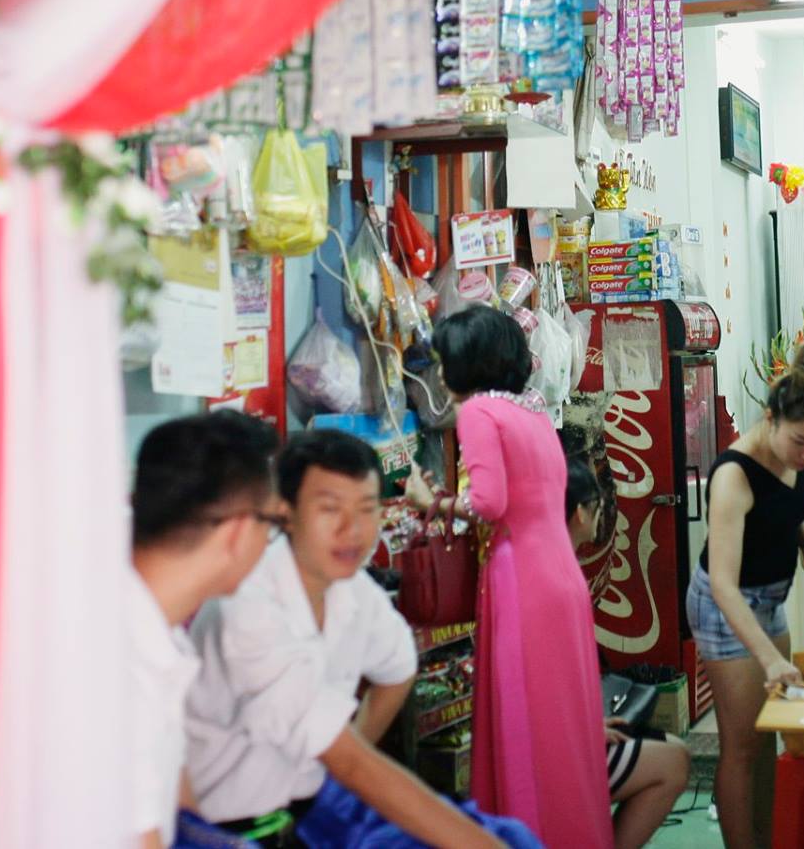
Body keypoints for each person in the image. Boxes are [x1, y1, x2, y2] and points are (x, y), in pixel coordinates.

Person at [183, 428, 522, 849]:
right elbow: (355, 766)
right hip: (223, 825)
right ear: (284, 511)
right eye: (330, 509)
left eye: (366, 508)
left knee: (513, 835)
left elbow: (398, 667)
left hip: (309, 802)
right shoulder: (248, 604)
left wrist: (341, 762)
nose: (353, 529)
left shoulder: (352, 588)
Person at [405, 307, 614, 848]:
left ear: (465, 363)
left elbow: (490, 502)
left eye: (445, 361)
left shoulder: (479, 413)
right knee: (562, 724)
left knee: (524, 722)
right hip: (561, 575)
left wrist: (433, 502)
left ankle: (529, 835)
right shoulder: (534, 412)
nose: (440, 373)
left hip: (520, 579)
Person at [686, 333, 804, 849]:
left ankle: (770, 839)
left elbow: (794, 511)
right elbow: (724, 586)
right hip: (725, 603)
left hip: (769, 597)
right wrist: (771, 661)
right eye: (801, 442)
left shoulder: (800, 454)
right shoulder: (734, 475)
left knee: (770, 732)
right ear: (770, 418)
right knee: (741, 746)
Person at [128, 409, 285, 849]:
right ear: (238, 533)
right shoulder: (124, 661)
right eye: (272, 525)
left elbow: (176, 804)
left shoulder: (160, 634)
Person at [564, 457, 692, 849]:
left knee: (671, 750)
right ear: (582, 512)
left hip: (559, 731)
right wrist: (584, 730)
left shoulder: (547, 565)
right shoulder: (560, 580)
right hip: (557, 747)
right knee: (674, 762)